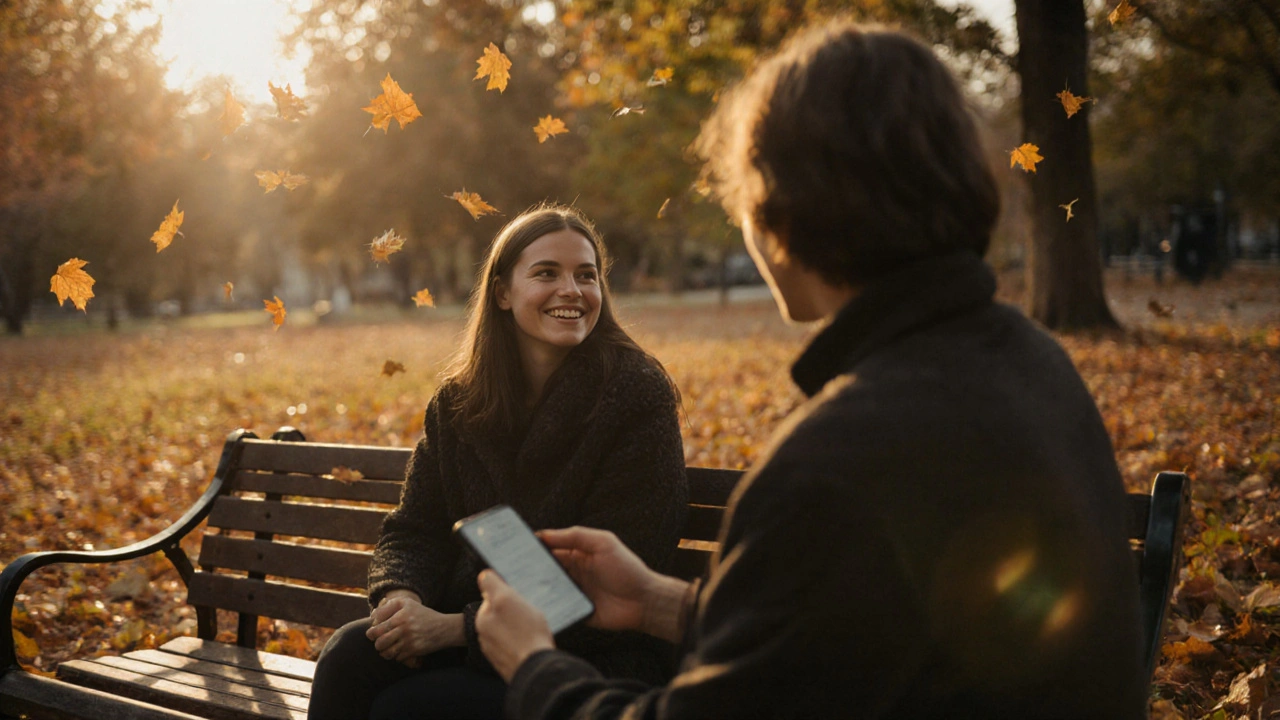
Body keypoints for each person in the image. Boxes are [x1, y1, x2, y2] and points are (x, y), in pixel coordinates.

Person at [473, 22, 1147, 720]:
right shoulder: (1034, 363)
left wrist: (534, 667)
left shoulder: (835, 460)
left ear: (776, 208)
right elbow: (863, 635)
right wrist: (660, 602)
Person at [308, 204, 689, 719]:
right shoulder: (459, 402)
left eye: (586, 275)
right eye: (546, 274)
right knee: (348, 657)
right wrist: (402, 599)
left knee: (407, 707)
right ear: (503, 293)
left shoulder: (634, 394)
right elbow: (414, 527)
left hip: (592, 657)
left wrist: (452, 629)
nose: (572, 291)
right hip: (467, 637)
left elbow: (615, 576)